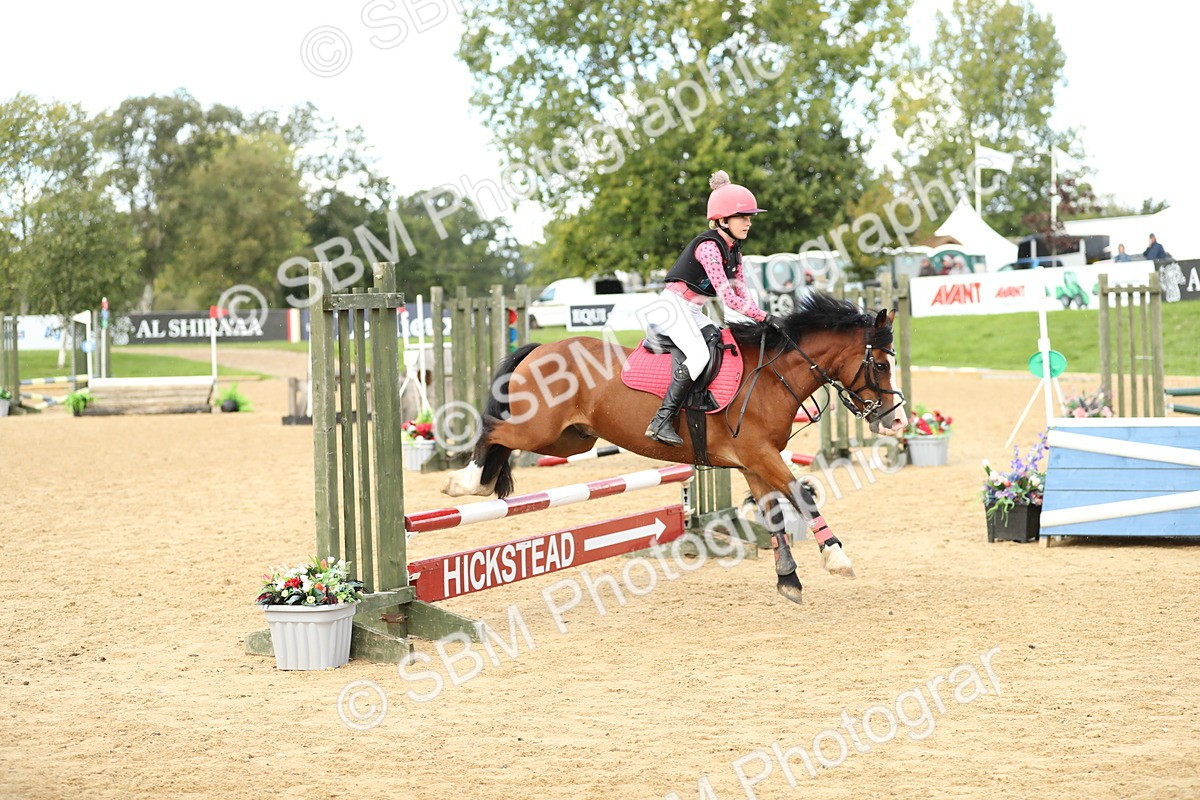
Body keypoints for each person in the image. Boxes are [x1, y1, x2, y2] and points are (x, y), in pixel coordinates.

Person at [640, 170, 779, 446]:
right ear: (722, 220)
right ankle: (661, 421)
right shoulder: (709, 248)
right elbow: (728, 298)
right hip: (673, 308)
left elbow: (742, 292)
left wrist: (760, 317)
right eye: (743, 217)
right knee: (699, 354)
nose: (748, 222)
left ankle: (697, 396)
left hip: (692, 310)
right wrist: (765, 316)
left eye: (749, 217)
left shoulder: (734, 249)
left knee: (718, 339)